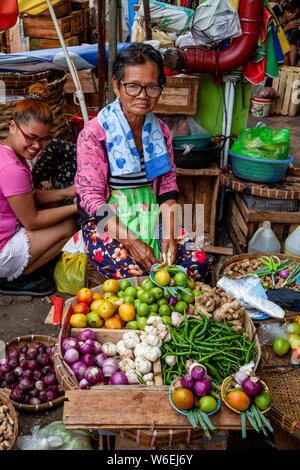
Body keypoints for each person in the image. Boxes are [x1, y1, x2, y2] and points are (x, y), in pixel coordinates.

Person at [75, 43, 209, 281]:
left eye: (151, 88)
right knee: (134, 277)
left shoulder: (162, 133)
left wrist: (167, 233)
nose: (143, 96)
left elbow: (167, 188)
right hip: (108, 222)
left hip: (150, 217)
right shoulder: (95, 134)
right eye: (133, 87)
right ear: (117, 86)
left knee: (196, 263)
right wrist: (131, 241)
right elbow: (91, 201)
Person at [0, 83, 78, 296]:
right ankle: (15, 279)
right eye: (31, 137)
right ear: (13, 126)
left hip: (5, 234)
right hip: (2, 251)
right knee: (68, 227)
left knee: (56, 207)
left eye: (44, 139)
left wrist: (67, 192)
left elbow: (29, 196)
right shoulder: (11, 168)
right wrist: (76, 207)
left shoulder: (7, 152)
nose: (37, 145)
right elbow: (32, 220)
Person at [277, 1, 300, 65]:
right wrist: (286, 28)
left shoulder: (290, 23)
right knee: (285, 58)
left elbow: (287, 43)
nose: (293, 16)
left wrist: (292, 32)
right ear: (285, 11)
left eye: (296, 14)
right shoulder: (276, 20)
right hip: (274, 47)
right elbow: (273, 39)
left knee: (293, 47)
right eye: (292, 13)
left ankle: (292, 70)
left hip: (283, 48)